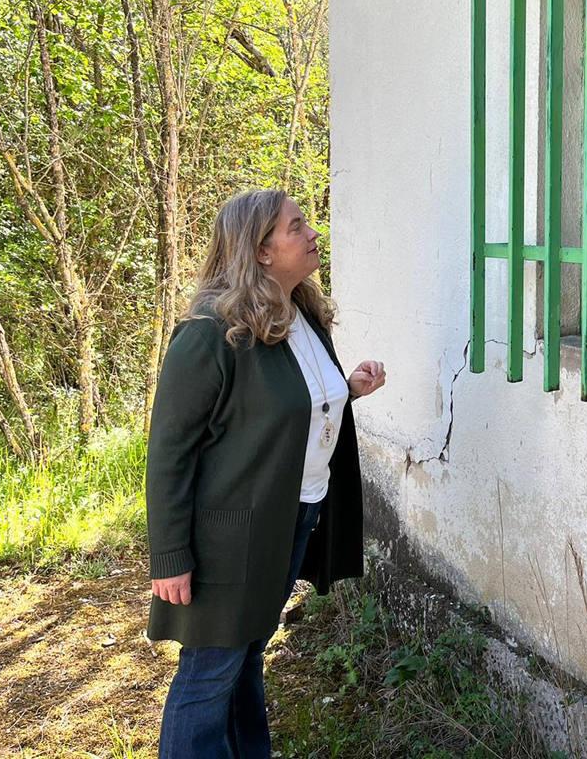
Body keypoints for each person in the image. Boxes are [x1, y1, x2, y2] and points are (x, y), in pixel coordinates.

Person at [145, 188, 386, 758]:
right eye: (296, 227)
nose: (312, 233)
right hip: (230, 536)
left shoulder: (300, 313)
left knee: (247, 656)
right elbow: (169, 452)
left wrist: (344, 390)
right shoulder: (211, 332)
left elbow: (279, 407)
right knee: (209, 675)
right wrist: (171, 556)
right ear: (260, 252)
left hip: (292, 516)